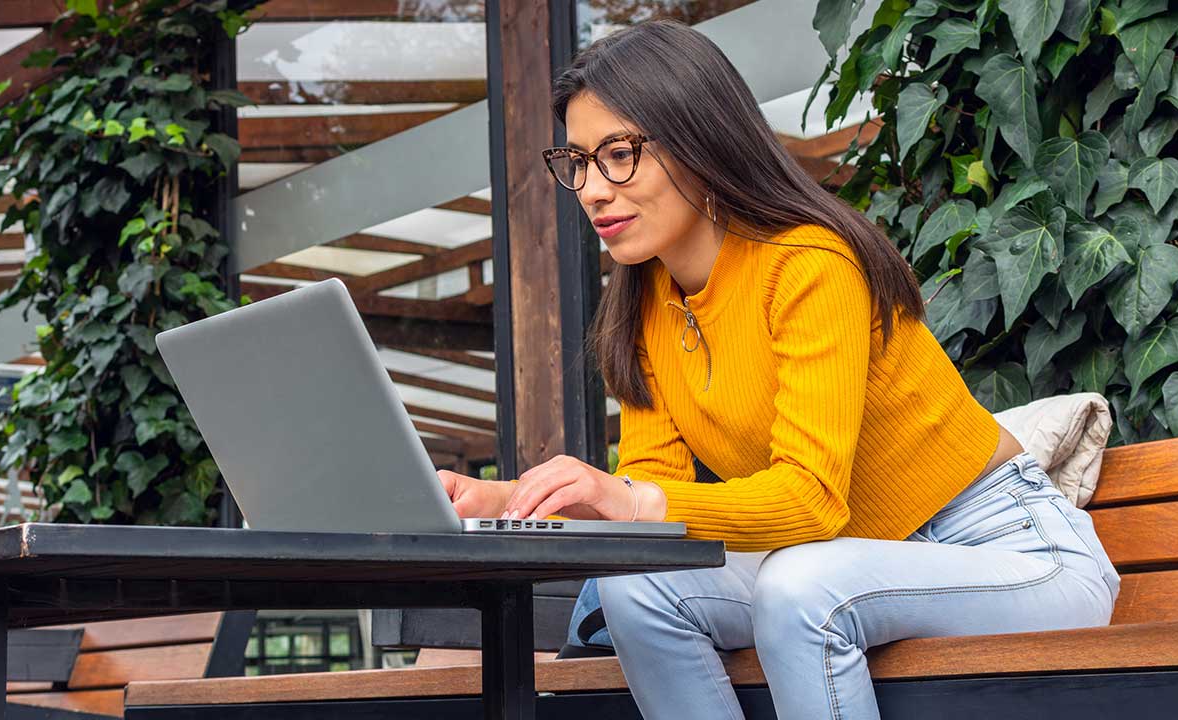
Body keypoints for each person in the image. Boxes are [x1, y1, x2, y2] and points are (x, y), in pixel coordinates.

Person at [437, 19, 1121, 720]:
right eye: (578, 161)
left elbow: (809, 501)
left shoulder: (807, 265)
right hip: (858, 562)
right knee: (636, 586)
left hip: (1012, 554)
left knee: (803, 583)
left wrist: (627, 498)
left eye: (619, 154)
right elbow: (654, 501)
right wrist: (508, 506)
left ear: (700, 139)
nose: (592, 190)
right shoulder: (646, 307)